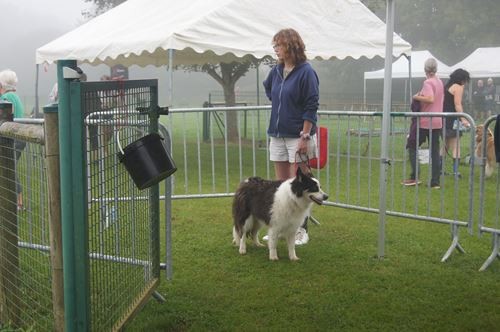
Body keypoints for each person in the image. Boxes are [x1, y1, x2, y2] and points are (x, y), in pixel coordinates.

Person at [263, 28, 319, 245]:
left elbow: (311, 104)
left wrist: (305, 135)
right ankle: (280, 228)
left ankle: (300, 230)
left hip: (299, 135)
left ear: (291, 45)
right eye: (274, 45)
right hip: (277, 134)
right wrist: (281, 103)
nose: (275, 49)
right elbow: (269, 90)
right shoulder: (275, 71)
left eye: (279, 45)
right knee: (282, 185)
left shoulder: (307, 72)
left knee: (304, 182)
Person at [401, 58, 444, 189]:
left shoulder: (427, 82)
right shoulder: (440, 82)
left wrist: (415, 97)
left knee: (412, 146)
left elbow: (430, 99)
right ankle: (435, 182)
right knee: (435, 152)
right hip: (437, 121)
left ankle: (415, 176)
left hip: (425, 121)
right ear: (435, 69)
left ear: (425, 70)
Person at [0, 69, 25, 209]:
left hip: (12, 137)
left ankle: (18, 201)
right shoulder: (14, 95)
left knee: (8, 167)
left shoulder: (6, 97)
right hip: (17, 136)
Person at [442, 68, 471, 178]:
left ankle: (440, 169)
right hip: (453, 119)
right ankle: (455, 172)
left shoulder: (447, 86)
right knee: (456, 145)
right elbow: (457, 105)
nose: (465, 82)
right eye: (465, 79)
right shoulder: (458, 87)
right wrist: (464, 119)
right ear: (462, 79)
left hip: (444, 118)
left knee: (445, 145)